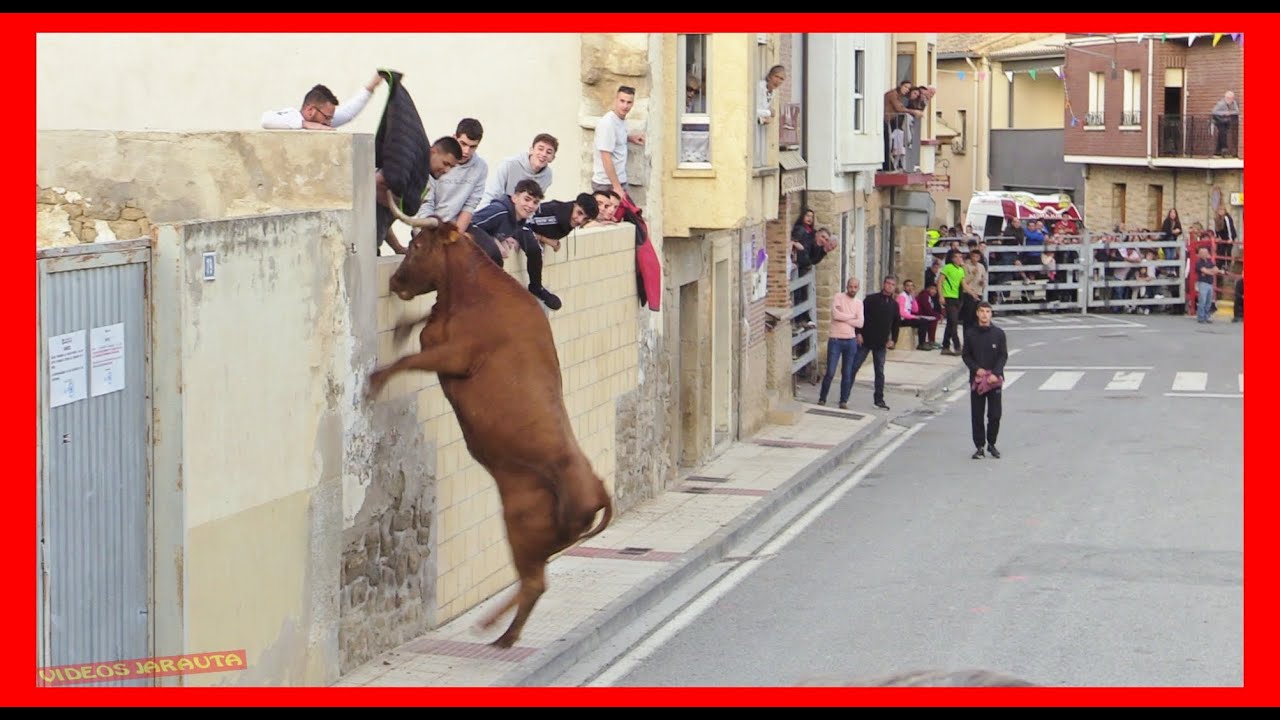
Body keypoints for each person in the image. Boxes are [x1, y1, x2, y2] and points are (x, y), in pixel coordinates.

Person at [414, 118, 488, 233]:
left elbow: (470, 206)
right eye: (463, 144)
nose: (467, 151)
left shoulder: (481, 167)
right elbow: (425, 204)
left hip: (456, 228)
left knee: (491, 249)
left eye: (472, 146)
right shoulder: (435, 161)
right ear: (454, 138)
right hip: (428, 226)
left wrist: (455, 237)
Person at [962, 302, 1008, 460]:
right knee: (977, 414)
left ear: (991, 314)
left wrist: (996, 372)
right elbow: (966, 355)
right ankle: (979, 446)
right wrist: (976, 369)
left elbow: (1003, 355)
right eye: (982, 311)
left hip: (994, 380)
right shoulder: (970, 333)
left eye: (988, 311)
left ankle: (992, 443)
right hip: (977, 380)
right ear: (977, 313)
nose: (984, 314)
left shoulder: (999, 333)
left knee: (995, 414)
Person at [849, 275, 901, 411]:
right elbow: (861, 316)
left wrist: (893, 340)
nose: (889, 286)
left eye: (892, 284)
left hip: (881, 343)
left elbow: (896, 325)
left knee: (879, 371)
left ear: (895, 287)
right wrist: (858, 333)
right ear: (883, 284)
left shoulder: (894, 305)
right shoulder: (871, 300)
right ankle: (845, 396)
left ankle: (879, 399)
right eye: (888, 283)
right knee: (854, 367)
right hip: (865, 340)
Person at [261, 73, 383, 130]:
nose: (329, 123)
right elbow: (266, 120)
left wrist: (372, 86)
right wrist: (305, 125)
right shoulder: (292, 116)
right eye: (327, 118)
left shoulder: (323, 122)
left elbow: (348, 113)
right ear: (310, 111)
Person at [591, 85, 645, 203]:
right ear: (616, 100)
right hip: (606, 184)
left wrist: (630, 138)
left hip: (618, 181)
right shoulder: (608, 123)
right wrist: (617, 188)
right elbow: (606, 157)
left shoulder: (621, 120)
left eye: (629, 102)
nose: (625, 106)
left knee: (623, 219)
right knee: (608, 220)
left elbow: (615, 140)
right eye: (622, 101)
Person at [818, 276, 864, 410]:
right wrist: (851, 317)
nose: (852, 289)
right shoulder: (838, 297)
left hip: (850, 340)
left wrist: (846, 318)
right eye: (851, 286)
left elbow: (860, 322)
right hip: (836, 339)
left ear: (858, 288)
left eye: (855, 287)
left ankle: (843, 400)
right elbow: (836, 315)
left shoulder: (859, 303)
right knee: (831, 371)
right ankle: (822, 397)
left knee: (847, 372)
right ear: (846, 286)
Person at [479, 133, 558, 210]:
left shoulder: (547, 176)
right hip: (499, 212)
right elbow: (491, 194)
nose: (544, 154)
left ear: (552, 158)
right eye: (540, 149)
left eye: (549, 152)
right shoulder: (509, 164)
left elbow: (534, 203)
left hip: (522, 218)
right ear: (531, 150)